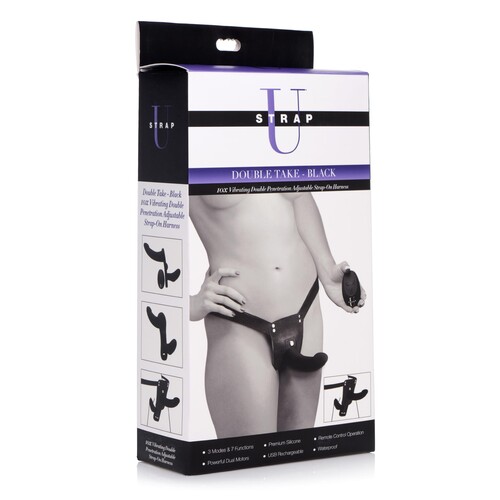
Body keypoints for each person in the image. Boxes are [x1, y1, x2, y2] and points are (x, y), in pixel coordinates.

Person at [189, 192, 365, 438]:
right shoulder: (188, 165)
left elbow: (298, 195)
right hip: (241, 321)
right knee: (250, 458)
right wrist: (189, 305)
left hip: (307, 307)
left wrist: (327, 270)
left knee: (297, 455)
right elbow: (154, 225)